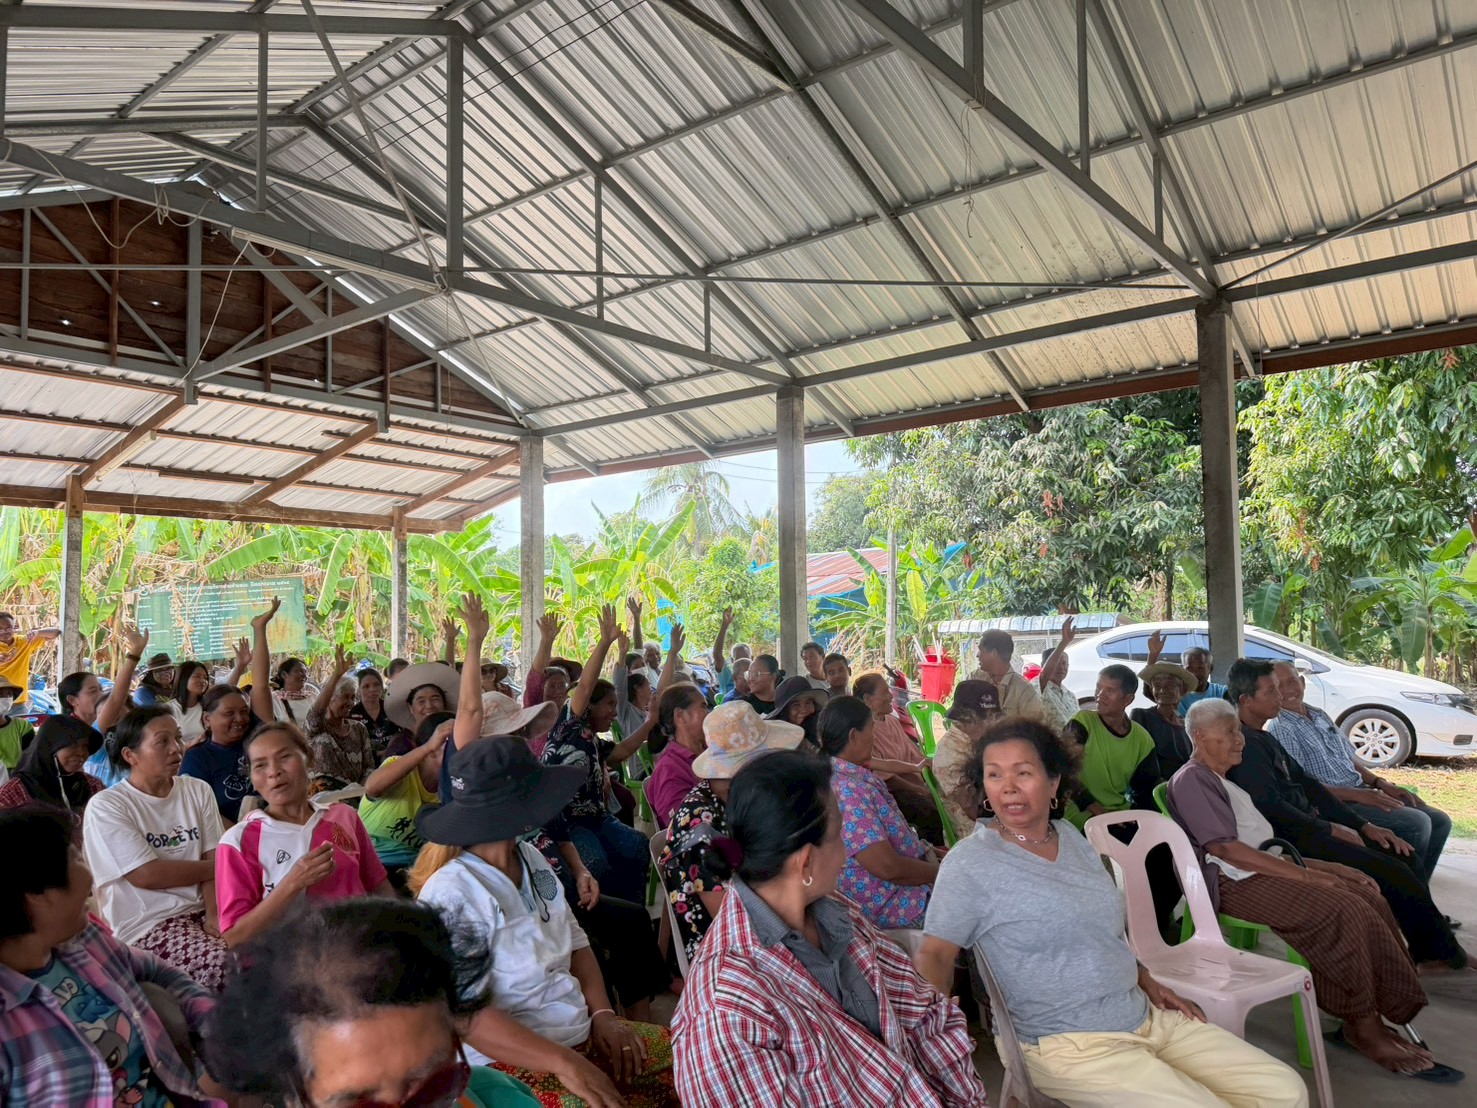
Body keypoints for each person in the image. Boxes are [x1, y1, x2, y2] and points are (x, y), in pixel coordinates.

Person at [916, 718, 1308, 1108]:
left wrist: (1147, 980)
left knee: (1284, 1091)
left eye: (1023, 772)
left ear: (1053, 782)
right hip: (1068, 1045)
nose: (1008, 787)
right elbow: (935, 953)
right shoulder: (971, 863)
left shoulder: (1071, 838)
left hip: (1144, 1015)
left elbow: (1100, 931)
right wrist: (933, 1030)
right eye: (994, 774)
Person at [671, 750, 986, 1105]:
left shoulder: (834, 912)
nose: (847, 853)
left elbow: (925, 1013)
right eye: (840, 836)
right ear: (806, 861)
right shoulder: (725, 1013)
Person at [1169, 699, 1459, 1081]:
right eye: (1231, 732)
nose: (1240, 740)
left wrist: (1330, 868)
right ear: (1200, 736)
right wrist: (1307, 878)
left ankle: (1375, 1008)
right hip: (1232, 883)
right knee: (1342, 908)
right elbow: (1226, 851)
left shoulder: (1223, 781)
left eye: (1239, 731)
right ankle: (1362, 1025)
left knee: (1364, 891)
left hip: (1255, 869)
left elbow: (1262, 849)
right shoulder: (1192, 779)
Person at [417, 737, 678, 1107]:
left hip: (576, 1035)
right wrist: (564, 1063)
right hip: (507, 1064)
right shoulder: (452, 891)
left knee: (695, 1054)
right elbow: (466, 1017)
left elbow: (577, 944)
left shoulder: (530, 857)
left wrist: (604, 1015)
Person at [1225, 657, 1467, 971]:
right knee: (1394, 869)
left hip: (1311, 827)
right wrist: (1330, 829)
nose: (1279, 696)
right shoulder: (1246, 745)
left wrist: (1363, 825)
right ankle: (1436, 953)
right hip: (1291, 841)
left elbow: (1309, 785)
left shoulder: (1263, 736)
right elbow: (1271, 807)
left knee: (1403, 854)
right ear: (1246, 700)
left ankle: (1432, 951)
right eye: (1270, 691)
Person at [203, 898, 540, 1108]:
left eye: (434, 1087)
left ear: (455, 1043)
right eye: (360, 1104)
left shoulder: (499, 1096)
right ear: (294, 1096)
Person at [0, 805, 223, 1106]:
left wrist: (219, 1023)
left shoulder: (86, 940)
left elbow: (158, 971)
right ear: (38, 895)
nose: (91, 880)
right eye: (78, 859)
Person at [1268, 661, 1454, 888]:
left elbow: (1349, 759)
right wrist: (1360, 796)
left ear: (1303, 683)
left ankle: (1417, 890)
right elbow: (1303, 786)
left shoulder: (1318, 714)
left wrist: (1380, 783)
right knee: (1417, 823)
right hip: (1335, 804)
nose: (1287, 690)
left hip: (1362, 790)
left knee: (1439, 820)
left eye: (1292, 681)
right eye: (1278, 686)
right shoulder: (1281, 728)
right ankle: (1405, 896)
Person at [81, 706, 228, 990]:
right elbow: (147, 874)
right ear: (130, 755)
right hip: (148, 925)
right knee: (224, 965)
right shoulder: (108, 806)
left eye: (178, 737)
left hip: (204, 910)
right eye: (162, 741)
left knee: (274, 950)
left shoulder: (197, 790)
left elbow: (213, 856)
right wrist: (222, 865)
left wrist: (215, 914)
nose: (176, 748)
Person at [214, 721, 392, 948]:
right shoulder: (238, 842)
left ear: (309, 758)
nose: (274, 772)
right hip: (291, 961)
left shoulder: (343, 816)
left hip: (359, 948)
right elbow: (235, 937)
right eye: (260, 766)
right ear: (252, 778)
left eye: (284, 757)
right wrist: (294, 882)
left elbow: (378, 886)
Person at [658, 701, 805, 965]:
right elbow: (733, 921)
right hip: (729, 951)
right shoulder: (700, 829)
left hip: (768, 915)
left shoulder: (743, 797)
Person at [540, 604, 653, 905]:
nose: (614, 713)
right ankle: (597, 919)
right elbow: (586, 685)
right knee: (596, 862)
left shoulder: (593, 739)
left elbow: (622, 750)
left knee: (638, 845)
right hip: (566, 823)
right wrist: (605, 643)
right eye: (609, 705)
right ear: (589, 704)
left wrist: (651, 722)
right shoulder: (569, 726)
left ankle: (631, 910)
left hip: (596, 818)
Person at [818, 695, 937, 929]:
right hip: (895, 904)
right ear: (854, 736)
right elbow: (887, 867)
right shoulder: (847, 791)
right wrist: (942, 874)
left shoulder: (843, 771)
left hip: (902, 887)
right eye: (871, 729)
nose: (874, 737)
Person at [1064, 665, 1161, 828]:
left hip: (1118, 811)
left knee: (1156, 838)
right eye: (1098, 687)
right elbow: (1062, 769)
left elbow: (1145, 788)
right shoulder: (1082, 722)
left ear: (1128, 699)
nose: (1100, 695)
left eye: (1110, 690)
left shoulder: (1142, 738)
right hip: (1080, 811)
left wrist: (1145, 821)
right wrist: (1096, 809)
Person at [854, 672, 944, 843]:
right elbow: (889, 778)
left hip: (916, 783)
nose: (891, 696)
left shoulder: (892, 721)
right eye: (885, 692)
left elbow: (916, 757)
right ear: (867, 699)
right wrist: (921, 791)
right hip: (895, 792)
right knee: (930, 813)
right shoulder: (865, 732)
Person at [358, 718, 449, 871]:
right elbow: (372, 787)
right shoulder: (401, 767)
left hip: (412, 870)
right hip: (370, 862)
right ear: (435, 748)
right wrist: (427, 747)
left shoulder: (452, 787)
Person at [71, 626, 151, 788]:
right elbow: (115, 699)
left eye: (118, 716)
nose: (110, 718)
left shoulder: (144, 742)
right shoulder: (97, 745)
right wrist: (134, 654)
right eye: (103, 715)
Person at [0, 714, 106, 819]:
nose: (82, 753)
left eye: (85, 746)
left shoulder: (92, 785)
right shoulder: (13, 794)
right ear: (50, 747)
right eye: (73, 745)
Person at [932, 680, 1000, 841]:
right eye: (991, 718)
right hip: (976, 836)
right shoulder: (951, 754)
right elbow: (975, 813)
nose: (996, 723)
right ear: (968, 718)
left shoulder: (978, 742)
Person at [303, 645, 376, 790]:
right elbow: (316, 713)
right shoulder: (317, 728)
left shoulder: (359, 729)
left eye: (353, 698)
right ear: (331, 698)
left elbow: (369, 767)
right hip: (321, 798)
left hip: (354, 795)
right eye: (345, 697)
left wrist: (358, 792)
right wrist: (336, 675)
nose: (350, 703)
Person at [646, 680, 710, 829]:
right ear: (680, 715)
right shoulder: (669, 769)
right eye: (703, 706)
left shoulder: (710, 750)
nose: (709, 714)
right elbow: (683, 826)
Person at [1132, 661, 1197, 778]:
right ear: (1151, 690)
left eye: (1169, 686)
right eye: (1157, 686)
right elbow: (1137, 759)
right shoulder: (1141, 716)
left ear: (1183, 690)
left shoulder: (1188, 725)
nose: (1162, 691)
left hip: (1184, 783)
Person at [967, 629, 1043, 722]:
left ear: (994, 653)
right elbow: (962, 718)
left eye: (981, 650)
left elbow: (1034, 727)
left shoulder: (1023, 690)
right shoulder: (975, 679)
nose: (977, 655)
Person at [1145, 633, 1227, 713]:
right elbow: (1150, 689)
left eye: (1200, 668)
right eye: (1189, 668)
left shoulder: (1221, 693)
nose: (1194, 674)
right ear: (1182, 669)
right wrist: (1153, 655)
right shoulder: (1174, 694)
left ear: (1210, 669)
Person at [386, 660, 461, 742]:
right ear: (411, 707)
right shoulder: (402, 742)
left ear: (444, 702)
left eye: (435, 699)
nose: (429, 706)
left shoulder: (458, 734)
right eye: (421, 701)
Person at [0, 612, 59, 709]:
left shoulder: (24, 642)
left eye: (8, 627)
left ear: (15, 627)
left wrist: (38, 632)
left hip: (19, 701)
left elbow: (55, 632)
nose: (4, 631)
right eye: (0, 629)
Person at [349, 666, 409, 760]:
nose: (372, 689)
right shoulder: (352, 714)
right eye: (366, 686)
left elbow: (404, 734)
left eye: (376, 684)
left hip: (396, 759)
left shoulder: (391, 708)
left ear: (381, 687)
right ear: (358, 690)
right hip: (367, 762)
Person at [1036, 616, 1079, 734]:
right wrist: (1064, 642)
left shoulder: (1070, 695)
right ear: (1044, 665)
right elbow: (1044, 675)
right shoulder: (1040, 686)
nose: (1061, 667)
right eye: (1056, 663)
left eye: (1064, 663)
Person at [767, 675, 828, 749]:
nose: (804, 710)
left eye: (808, 703)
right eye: (796, 705)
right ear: (784, 712)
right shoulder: (776, 743)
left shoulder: (823, 732)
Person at [169, 659, 215, 747]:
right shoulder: (169, 709)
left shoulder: (209, 704)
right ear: (183, 679)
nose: (203, 681)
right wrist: (190, 744)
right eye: (197, 676)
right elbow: (167, 746)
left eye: (205, 677)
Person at [0, 676, 35, 773]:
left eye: (9, 694)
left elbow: (31, 759)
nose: (6, 698)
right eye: (0, 694)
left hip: (17, 777)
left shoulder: (23, 726)